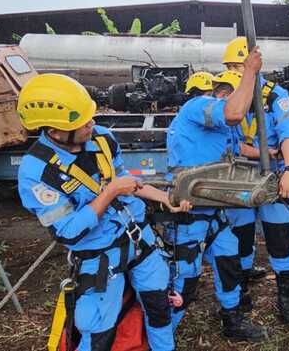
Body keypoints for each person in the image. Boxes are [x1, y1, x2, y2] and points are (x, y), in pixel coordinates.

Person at [16, 74, 190, 351]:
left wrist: (164, 198)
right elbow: (69, 231)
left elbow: (124, 179)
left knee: (159, 309)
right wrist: (109, 193)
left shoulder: (102, 140)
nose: (92, 124)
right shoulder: (37, 173)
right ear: (55, 132)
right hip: (99, 257)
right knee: (99, 333)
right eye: (83, 122)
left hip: (139, 241)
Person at [165, 55, 268, 342]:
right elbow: (234, 113)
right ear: (220, 94)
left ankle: (232, 321)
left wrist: (270, 154)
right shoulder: (198, 106)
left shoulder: (216, 128)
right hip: (190, 213)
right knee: (185, 277)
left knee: (228, 261)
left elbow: (237, 149)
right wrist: (249, 71)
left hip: (214, 213)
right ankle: (161, 335)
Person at [220, 36, 289, 325]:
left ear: (253, 65)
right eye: (229, 66)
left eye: (237, 66)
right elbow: (226, 142)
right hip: (238, 179)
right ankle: (241, 291)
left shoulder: (275, 96)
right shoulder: (226, 95)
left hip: (272, 177)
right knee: (240, 238)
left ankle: (286, 296)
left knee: (280, 239)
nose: (233, 72)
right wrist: (258, 151)